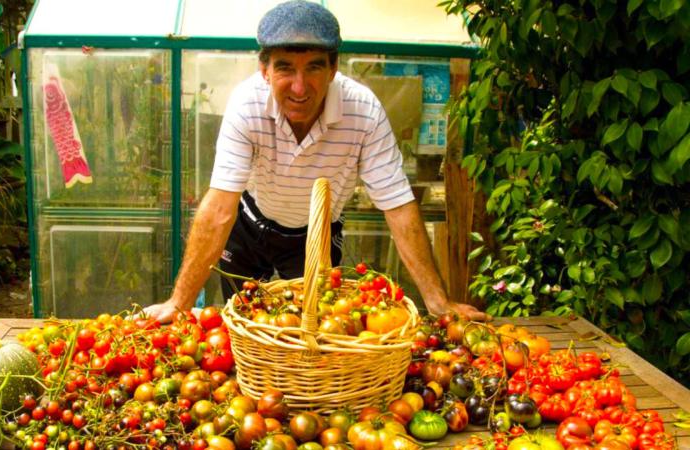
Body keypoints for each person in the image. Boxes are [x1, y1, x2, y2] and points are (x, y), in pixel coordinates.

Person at [143, 0, 489, 322]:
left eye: (313, 68)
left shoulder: (364, 111)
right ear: (264, 69)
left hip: (317, 235)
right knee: (242, 325)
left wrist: (438, 302)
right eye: (285, 68)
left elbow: (398, 206)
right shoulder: (246, 105)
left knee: (312, 330)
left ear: (334, 68)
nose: (299, 87)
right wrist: (179, 303)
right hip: (250, 228)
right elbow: (219, 209)